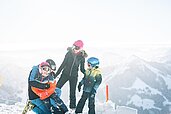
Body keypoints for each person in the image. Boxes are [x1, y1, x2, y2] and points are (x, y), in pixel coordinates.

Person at [55, 40, 88, 110]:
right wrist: (55, 75)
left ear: (81, 48)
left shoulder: (81, 57)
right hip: (65, 74)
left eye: (77, 48)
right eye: (74, 47)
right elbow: (63, 65)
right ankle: (53, 103)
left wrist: (87, 74)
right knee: (56, 89)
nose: (75, 49)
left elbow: (82, 69)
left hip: (74, 77)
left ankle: (72, 108)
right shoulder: (69, 54)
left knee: (72, 92)